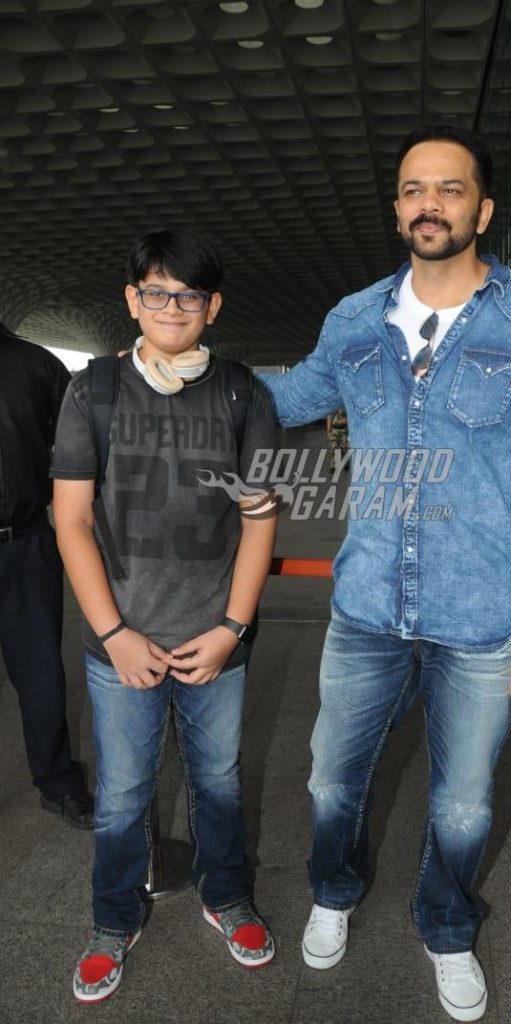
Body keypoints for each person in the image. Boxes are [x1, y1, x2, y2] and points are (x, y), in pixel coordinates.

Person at [259, 126, 511, 1022]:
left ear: (482, 209)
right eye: (415, 189)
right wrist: (177, 372)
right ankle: (333, 893)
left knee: (463, 803)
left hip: (485, 616)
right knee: (331, 778)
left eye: (450, 189)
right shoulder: (355, 318)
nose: (430, 204)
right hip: (367, 605)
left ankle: (447, 926)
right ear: (398, 209)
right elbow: (287, 399)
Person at [50, 230, 279, 1004]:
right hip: (121, 642)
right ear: (131, 301)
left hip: (216, 638)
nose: (171, 306)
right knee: (121, 792)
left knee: (218, 780)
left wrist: (232, 629)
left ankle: (228, 898)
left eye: (189, 294)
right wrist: (115, 635)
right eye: (155, 291)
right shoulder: (93, 393)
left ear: (212, 306)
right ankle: (114, 920)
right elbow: (71, 520)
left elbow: (259, 520)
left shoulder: (246, 394)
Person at [0, 321, 94, 829]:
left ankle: (58, 783)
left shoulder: (34, 365)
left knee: (40, 675)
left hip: (24, 545)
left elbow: (79, 448)